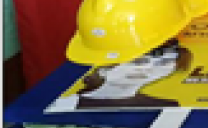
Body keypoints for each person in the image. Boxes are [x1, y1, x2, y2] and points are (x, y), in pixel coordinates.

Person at [48, 41, 191, 111]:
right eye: (138, 61)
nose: (146, 69)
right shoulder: (64, 104)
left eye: (164, 64)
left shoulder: (168, 106)